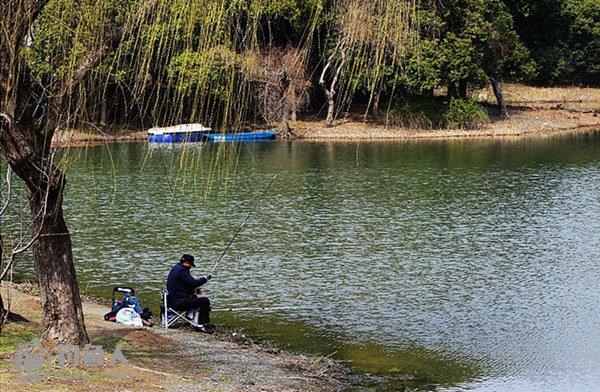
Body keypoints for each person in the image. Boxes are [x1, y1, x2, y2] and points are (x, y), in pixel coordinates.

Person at [166, 254, 214, 333]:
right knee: (205, 301)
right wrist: (205, 279)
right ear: (187, 263)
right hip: (178, 303)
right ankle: (201, 324)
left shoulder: (176, 268)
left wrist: (196, 290)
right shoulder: (182, 271)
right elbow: (194, 283)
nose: (190, 267)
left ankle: (191, 319)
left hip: (172, 300)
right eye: (190, 265)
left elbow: (184, 285)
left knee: (196, 297)